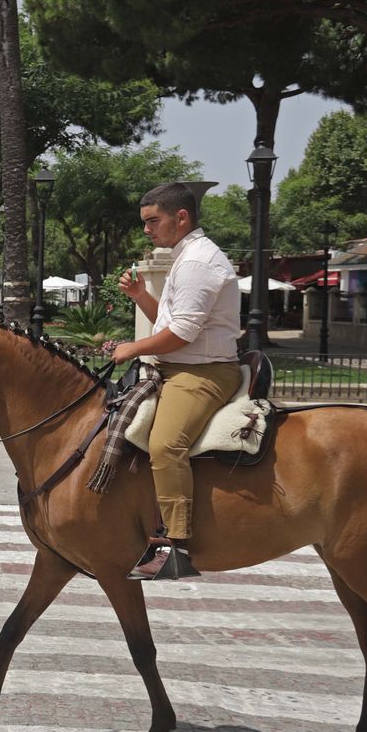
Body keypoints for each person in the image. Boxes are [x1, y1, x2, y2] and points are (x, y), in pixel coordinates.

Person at [112, 182, 241, 581]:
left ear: (181, 217)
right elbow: (169, 323)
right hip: (178, 368)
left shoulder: (198, 262)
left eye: (153, 221)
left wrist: (132, 348)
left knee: (166, 445)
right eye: (145, 222)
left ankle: (175, 546)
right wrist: (140, 296)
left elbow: (182, 334)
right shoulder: (185, 257)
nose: (147, 229)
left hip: (202, 373)